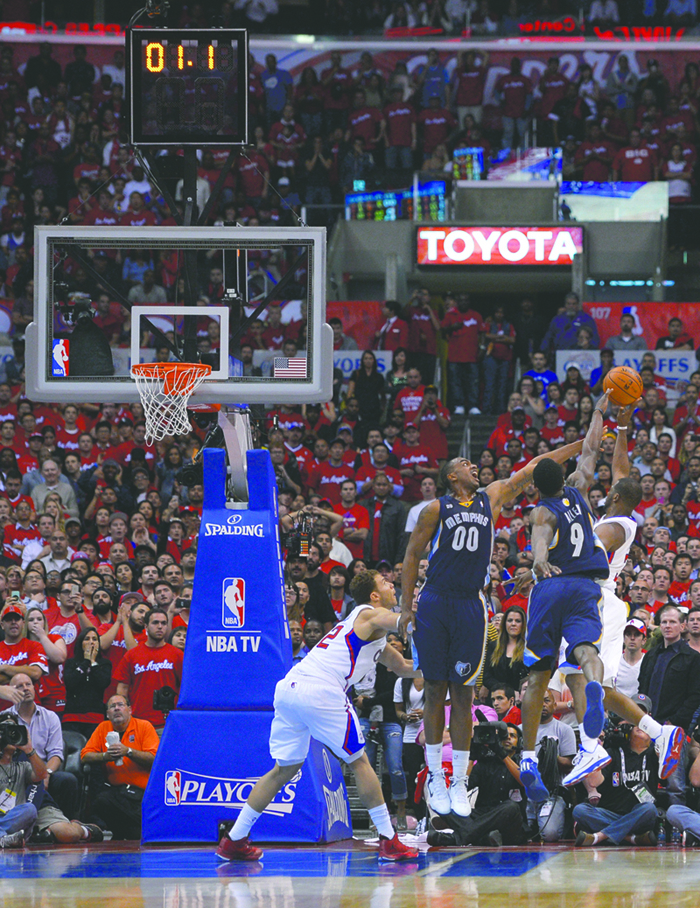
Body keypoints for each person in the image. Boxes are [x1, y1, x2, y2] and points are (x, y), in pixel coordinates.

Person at [400, 437, 582, 819]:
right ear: (452, 476)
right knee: (435, 690)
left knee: (464, 694)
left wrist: (579, 443)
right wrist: (405, 608)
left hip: (470, 603)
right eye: (465, 462)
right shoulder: (436, 508)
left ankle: (459, 782)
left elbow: (535, 464)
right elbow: (412, 554)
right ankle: (435, 775)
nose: (473, 465)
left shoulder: (492, 497)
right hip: (435, 600)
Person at [215, 570, 421, 863]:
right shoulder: (366, 613)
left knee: (283, 769)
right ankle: (389, 840)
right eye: (386, 583)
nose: (392, 585)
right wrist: (418, 617)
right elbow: (397, 621)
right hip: (320, 689)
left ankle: (234, 839)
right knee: (359, 760)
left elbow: (403, 667)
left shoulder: (370, 635)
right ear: (375, 595)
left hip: (290, 688)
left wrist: (441, 671)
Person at [561, 402, 683, 787]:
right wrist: (623, 428)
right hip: (608, 602)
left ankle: (589, 745)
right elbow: (622, 471)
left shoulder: (613, 526)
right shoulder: (622, 511)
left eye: (611, 487)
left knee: (574, 674)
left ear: (613, 497)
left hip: (593, 600)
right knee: (602, 686)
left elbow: (586, 550)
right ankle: (662, 734)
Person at [518, 395, 613, 802]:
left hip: (552, 586)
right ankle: (593, 686)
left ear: (537, 488)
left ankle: (525, 755)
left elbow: (540, 545)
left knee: (538, 674)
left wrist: (539, 562)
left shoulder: (543, 511)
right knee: (586, 649)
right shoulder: (578, 489)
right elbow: (590, 449)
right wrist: (597, 412)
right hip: (586, 586)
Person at [573, 697, 659, 847]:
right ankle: (630, 838)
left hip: (639, 813)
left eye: (643, 718)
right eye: (635, 717)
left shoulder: (655, 753)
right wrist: (593, 749)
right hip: (610, 813)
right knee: (580, 811)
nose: (640, 724)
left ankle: (599, 836)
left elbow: (667, 779)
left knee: (650, 810)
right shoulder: (613, 752)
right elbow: (594, 782)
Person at [80, 693, 159, 840]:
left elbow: (155, 759)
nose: (116, 709)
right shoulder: (103, 728)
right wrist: (106, 756)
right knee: (101, 802)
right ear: (107, 714)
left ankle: (132, 832)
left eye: (120, 705)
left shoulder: (144, 726)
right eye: (112, 706)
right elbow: (85, 756)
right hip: (116, 793)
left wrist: (128, 751)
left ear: (129, 709)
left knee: (134, 824)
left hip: (141, 793)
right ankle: (134, 832)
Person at [114, 608, 184, 733]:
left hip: (168, 723)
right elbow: (122, 688)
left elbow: (186, 687)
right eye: (155, 623)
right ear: (146, 626)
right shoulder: (132, 655)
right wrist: (127, 715)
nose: (160, 627)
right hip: (138, 723)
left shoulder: (177, 655)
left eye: (163, 623)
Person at [62, 626, 113, 738]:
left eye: (95, 639)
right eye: (87, 639)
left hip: (95, 717)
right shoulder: (71, 663)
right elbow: (70, 683)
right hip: (72, 717)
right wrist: (85, 662)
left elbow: (103, 682)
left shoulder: (105, 664)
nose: (91, 642)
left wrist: (93, 662)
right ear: (81, 643)